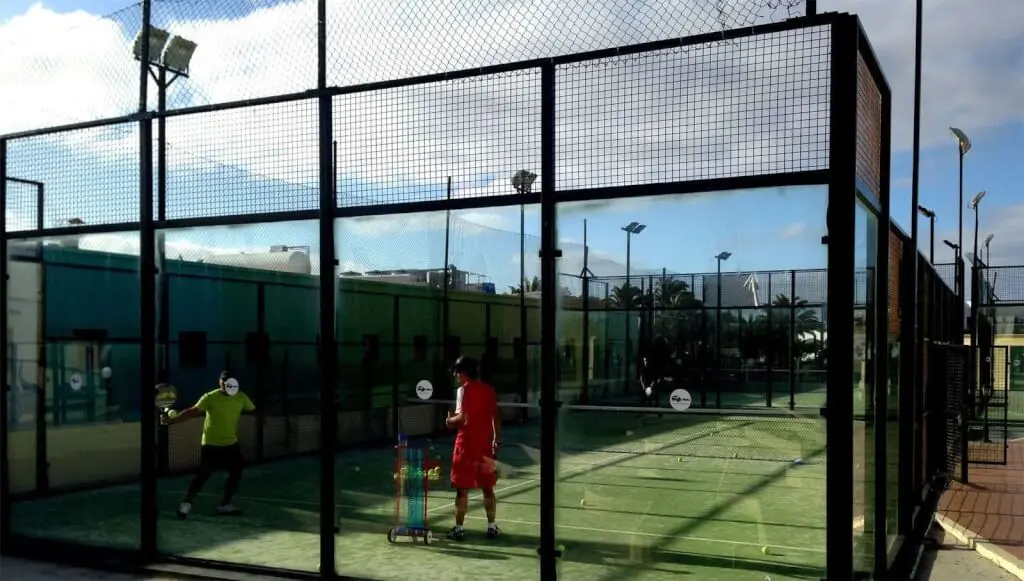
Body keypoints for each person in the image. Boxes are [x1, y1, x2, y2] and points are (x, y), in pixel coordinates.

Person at [163, 371, 256, 519]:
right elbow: (192, 412)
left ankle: (225, 505)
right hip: (211, 444)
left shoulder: (241, 397)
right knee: (203, 474)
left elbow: (253, 409)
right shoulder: (210, 397)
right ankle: (186, 505)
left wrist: (264, 417)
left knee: (237, 470)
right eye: (224, 382)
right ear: (220, 383)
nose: (227, 385)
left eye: (230, 381)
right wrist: (173, 421)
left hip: (231, 443)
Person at [444, 355, 501, 541]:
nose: (455, 376)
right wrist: (496, 441)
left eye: (456, 373)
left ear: (462, 373)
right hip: (484, 445)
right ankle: (492, 527)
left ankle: (459, 528)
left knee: (462, 489)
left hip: (465, 446)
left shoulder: (463, 391)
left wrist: (449, 420)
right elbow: (495, 418)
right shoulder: (489, 390)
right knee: (487, 487)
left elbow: (463, 419)